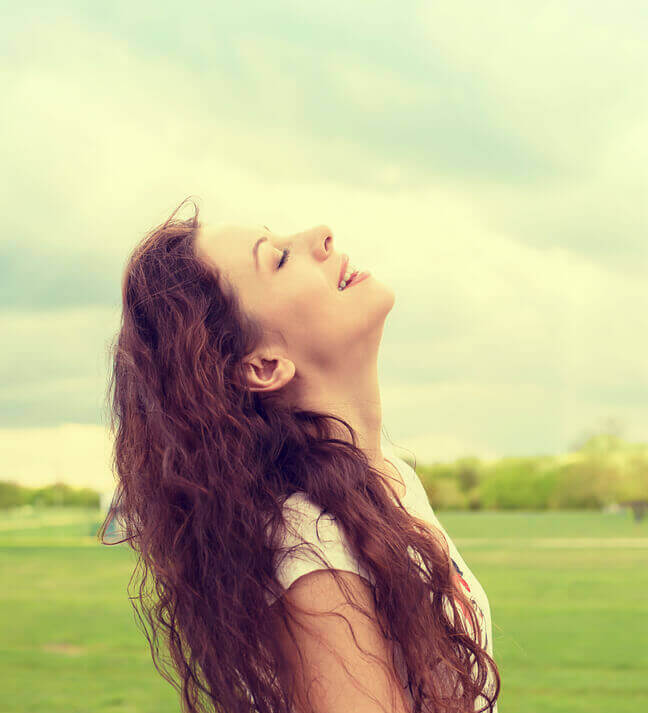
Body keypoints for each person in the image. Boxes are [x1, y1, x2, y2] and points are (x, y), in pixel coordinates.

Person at [100, 197, 500, 713]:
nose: (322, 233)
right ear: (265, 365)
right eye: (279, 258)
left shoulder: (386, 476)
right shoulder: (313, 549)